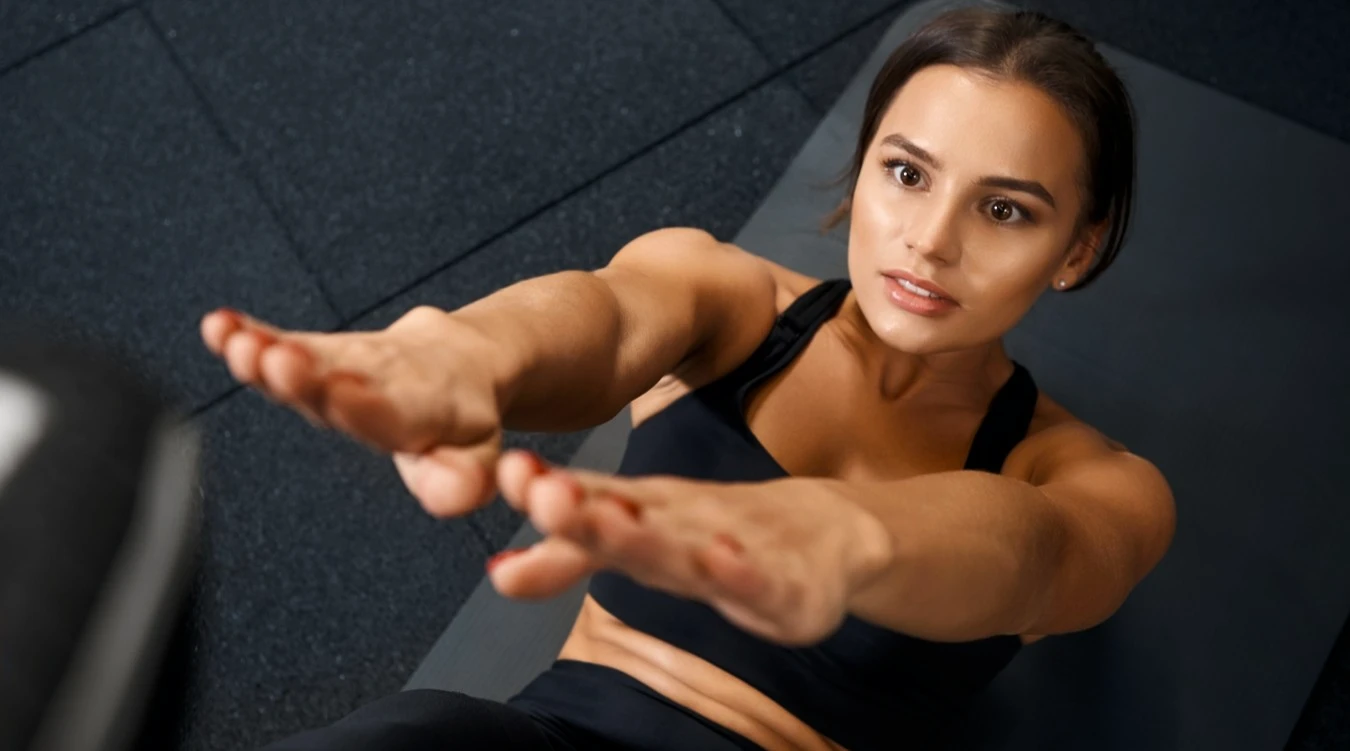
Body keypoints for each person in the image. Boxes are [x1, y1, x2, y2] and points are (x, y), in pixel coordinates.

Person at [201, 8, 1176, 751]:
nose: (930, 239)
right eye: (908, 174)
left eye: (1005, 211)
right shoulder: (734, 299)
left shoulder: (1099, 483)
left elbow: (1037, 556)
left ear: (1077, 250)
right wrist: (470, 353)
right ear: (866, 166)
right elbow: (614, 311)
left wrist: (852, 541)